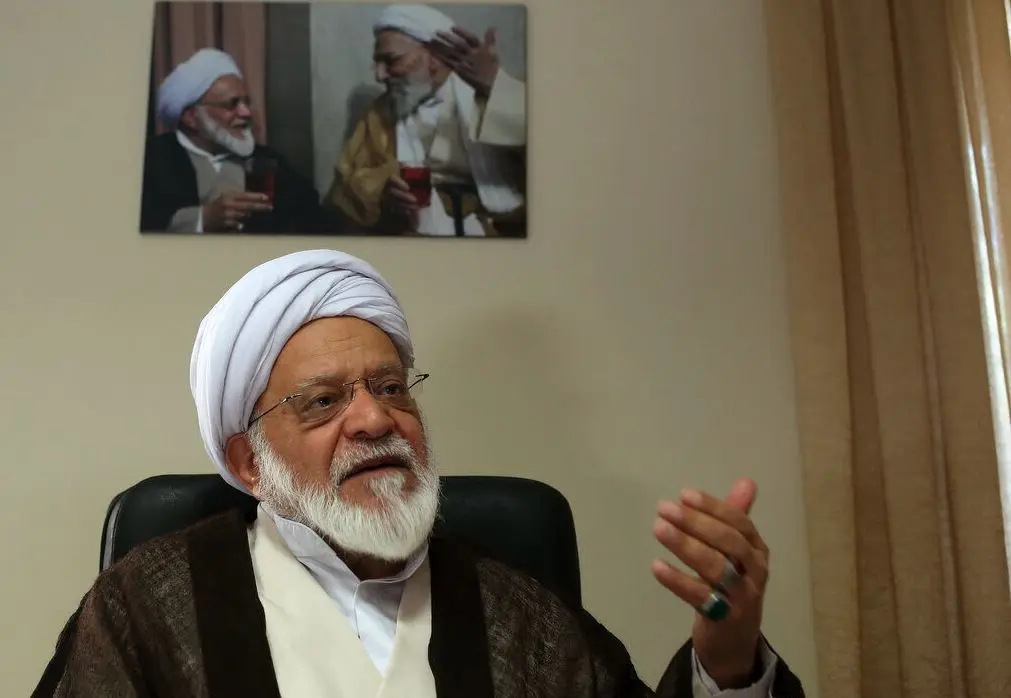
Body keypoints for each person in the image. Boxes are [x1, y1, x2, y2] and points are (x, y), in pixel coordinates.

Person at [33, 250, 805, 697]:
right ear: (248, 462)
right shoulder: (149, 604)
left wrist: (725, 658)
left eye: (391, 387)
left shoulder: (517, 611)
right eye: (324, 401)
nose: (375, 419)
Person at [326, 5, 527, 237]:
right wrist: (383, 193)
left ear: (434, 57)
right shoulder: (380, 112)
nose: (379, 76)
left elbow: (549, 158)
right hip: (411, 233)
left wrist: (493, 87)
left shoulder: (490, 96)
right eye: (377, 63)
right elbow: (347, 186)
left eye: (391, 60)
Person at [141, 48, 337, 234]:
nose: (246, 113)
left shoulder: (269, 161)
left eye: (246, 102)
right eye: (231, 105)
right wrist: (203, 219)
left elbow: (315, 221)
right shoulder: (150, 160)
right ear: (191, 117)